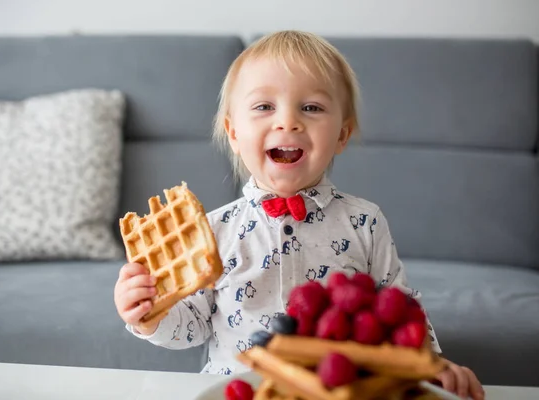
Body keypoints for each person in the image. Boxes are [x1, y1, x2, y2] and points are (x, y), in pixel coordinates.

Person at [114, 30, 485, 400]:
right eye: (263, 107)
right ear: (233, 134)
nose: (287, 122)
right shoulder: (213, 233)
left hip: (338, 391)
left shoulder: (365, 222)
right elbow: (191, 327)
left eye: (311, 107)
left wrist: (432, 366)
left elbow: (398, 311)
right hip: (238, 392)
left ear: (342, 134)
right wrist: (148, 316)